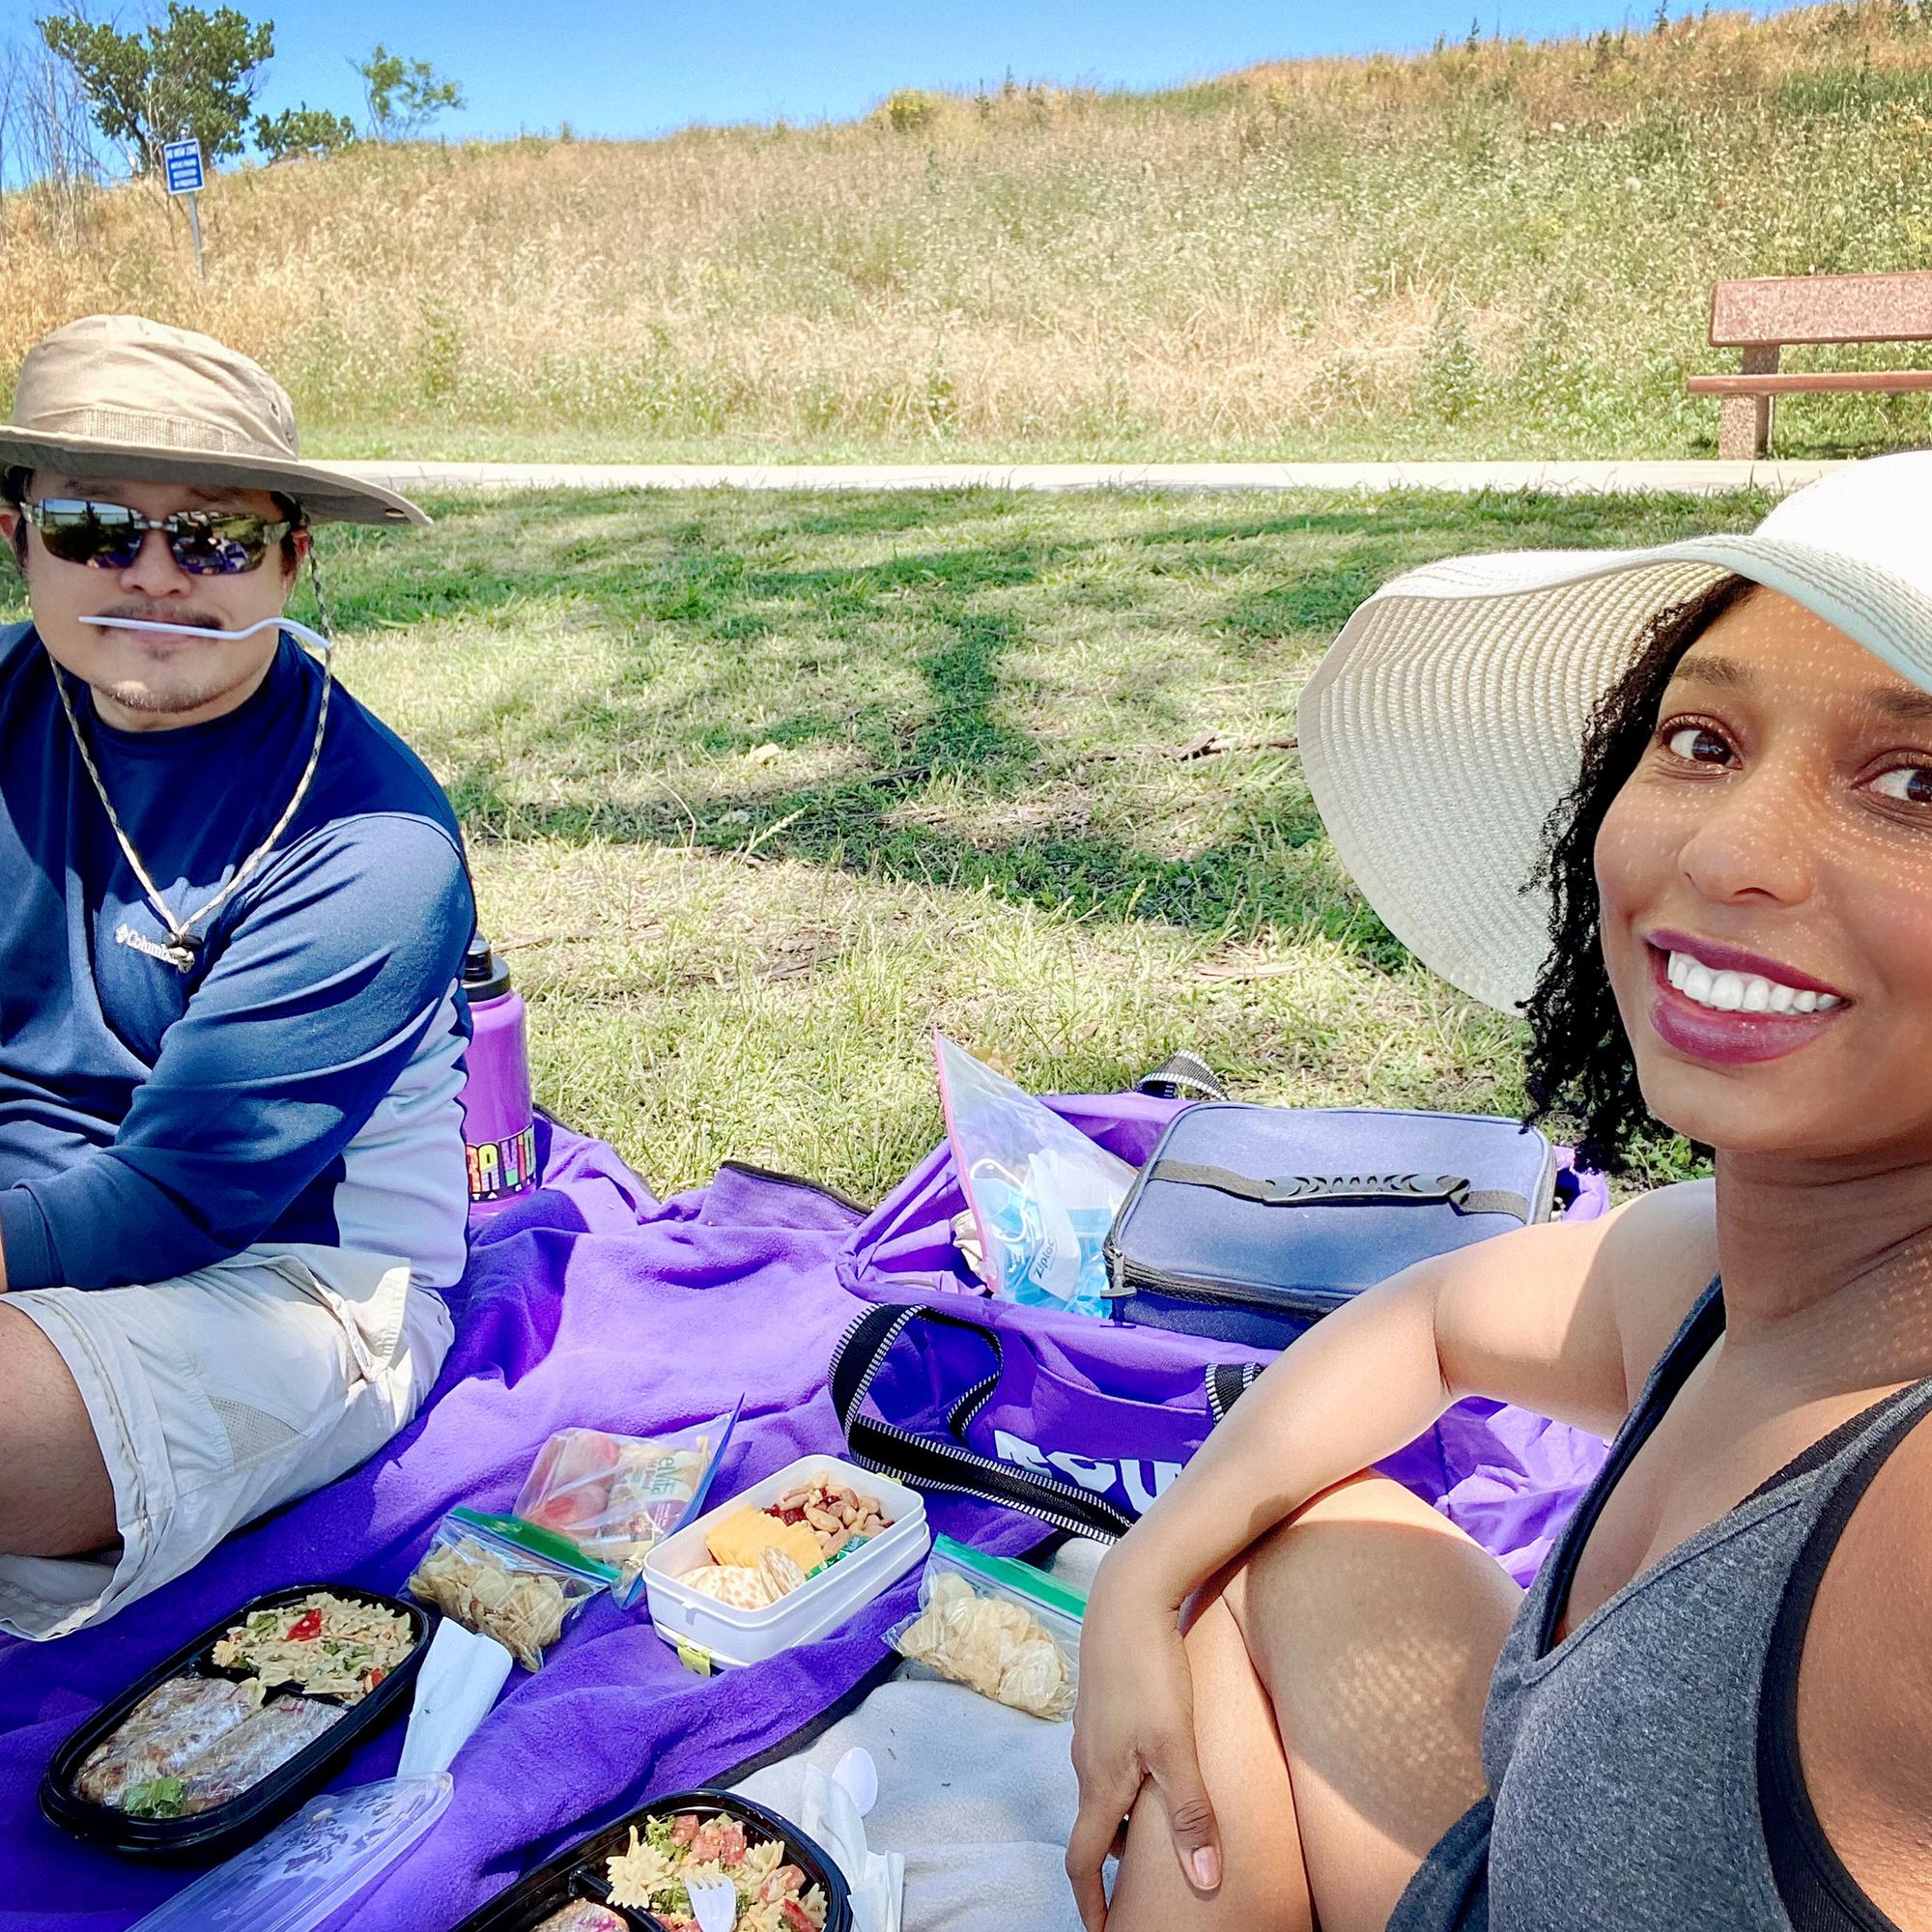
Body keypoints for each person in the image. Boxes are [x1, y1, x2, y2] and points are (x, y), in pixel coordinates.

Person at [1068, 452, 1932, 1932]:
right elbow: (1438, 1317)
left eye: (1914, 783)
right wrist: (1139, 1576)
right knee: (1274, 1551)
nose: (1727, 852)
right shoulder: (1712, 1277)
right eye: (1706, 741)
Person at [0, 314, 473, 1639]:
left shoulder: (376, 849)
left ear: (292, 561)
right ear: (16, 535)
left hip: (285, 1278)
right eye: (94, 525)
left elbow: (167, 1204)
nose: (153, 576)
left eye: (216, 537)